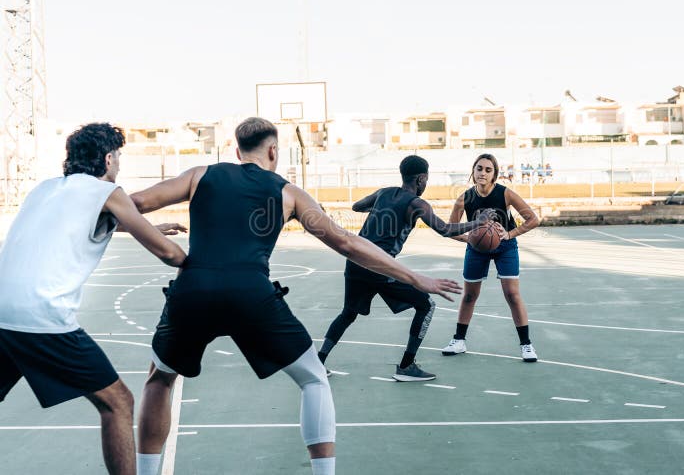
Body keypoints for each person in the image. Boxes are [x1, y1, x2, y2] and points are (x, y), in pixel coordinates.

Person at [128, 118, 462, 475]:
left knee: (159, 380)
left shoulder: (199, 175)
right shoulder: (288, 194)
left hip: (192, 289)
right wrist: (414, 278)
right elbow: (347, 243)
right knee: (313, 379)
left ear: (236, 150)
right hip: (251, 294)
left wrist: (150, 230)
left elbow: (132, 203)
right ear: (274, 150)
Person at [0, 123, 187, 475]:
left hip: (2, 311)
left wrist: (146, 227)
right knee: (117, 402)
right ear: (107, 158)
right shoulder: (108, 191)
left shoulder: (44, 190)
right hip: (41, 315)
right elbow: (168, 254)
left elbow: (75, 222)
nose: (119, 165)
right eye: (118, 157)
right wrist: (206, 265)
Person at [317, 156, 495, 382]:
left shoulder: (383, 193)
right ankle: (406, 366)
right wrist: (478, 222)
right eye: (426, 179)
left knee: (348, 313)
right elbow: (444, 229)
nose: (426, 183)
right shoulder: (417, 204)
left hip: (355, 261)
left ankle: (318, 362)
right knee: (426, 305)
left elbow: (356, 206)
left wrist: (380, 209)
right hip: (380, 266)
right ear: (421, 178)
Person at [441, 153, 541, 362]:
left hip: (505, 246)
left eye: (488, 170)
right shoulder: (465, 198)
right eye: (479, 169)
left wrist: (510, 234)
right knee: (469, 295)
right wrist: (469, 239)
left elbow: (533, 219)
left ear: (495, 174)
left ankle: (526, 344)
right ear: (473, 171)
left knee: (512, 294)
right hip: (477, 248)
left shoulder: (505, 194)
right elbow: (451, 229)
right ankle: (459, 340)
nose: (483, 173)